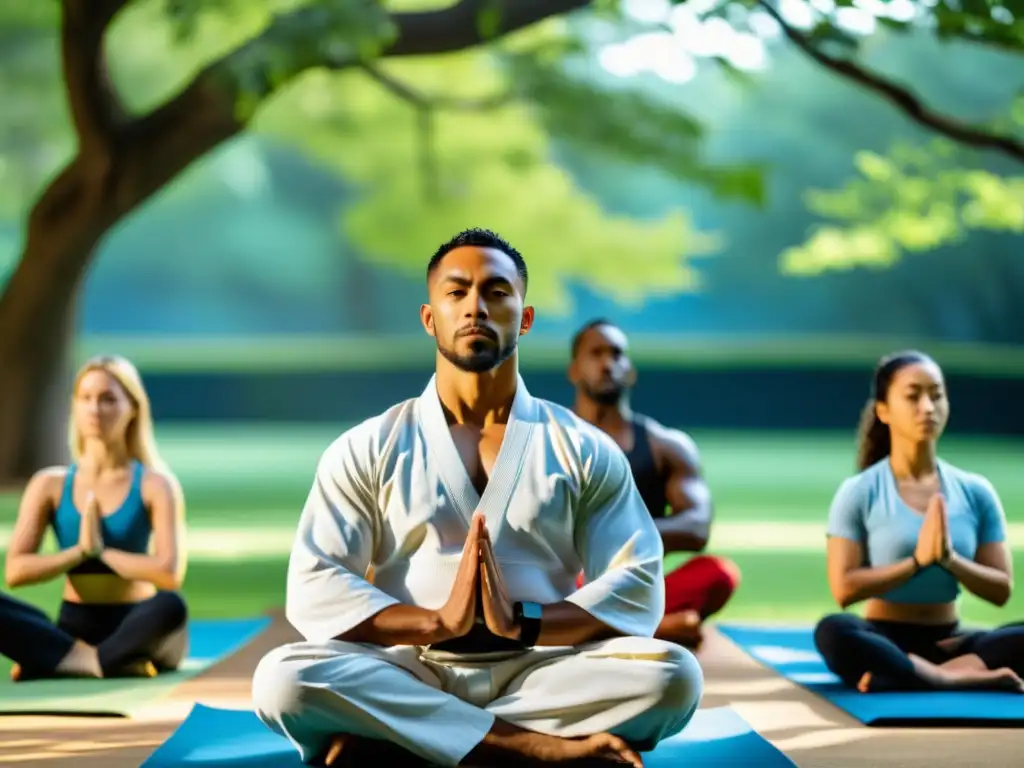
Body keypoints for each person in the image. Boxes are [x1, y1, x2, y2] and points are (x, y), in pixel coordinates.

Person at [251, 228, 703, 768]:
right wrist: (436, 623)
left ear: (525, 316)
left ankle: (409, 738)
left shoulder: (582, 447)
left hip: (541, 670)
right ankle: (525, 747)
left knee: (674, 677)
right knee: (283, 679)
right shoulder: (369, 445)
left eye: (495, 292)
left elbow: (638, 584)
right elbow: (313, 585)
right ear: (429, 317)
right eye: (457, 291)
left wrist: (525, 622)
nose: (475, 308)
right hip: (409, 668)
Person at [814, 350, 1024, 693]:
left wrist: (950, 561)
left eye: (937, 395)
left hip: (952, 642)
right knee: (834, 631)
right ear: (883, 410)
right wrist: (916, 563)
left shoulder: (975, 490)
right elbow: (844, 589)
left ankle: (920, 674)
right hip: (883, 638)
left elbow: (1001, 590)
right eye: (913, 396)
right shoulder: (859, 491)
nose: (927, 407)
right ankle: (943, 676)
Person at [1, 355, 188, 681]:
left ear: (132, 408)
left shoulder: (156, 484)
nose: (95, 409)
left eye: (108, 399)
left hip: (138, 623)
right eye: (85, 398)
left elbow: (169, 574)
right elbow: (15, 571)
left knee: (171, 605)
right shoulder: (50, 484)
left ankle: (62, 661)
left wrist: (102, 553)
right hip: (76, 624)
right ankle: (99, 662)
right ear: (74, 406)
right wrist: (78, 553)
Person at [568, 319, 740, 650]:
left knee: (719, 573)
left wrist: (613, 537)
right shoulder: (548, 438)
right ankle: (653, 629)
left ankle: (602, 629)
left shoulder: (666, 446)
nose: (607, 363)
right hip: (568, 585)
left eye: (617, 354)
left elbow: (697, 526)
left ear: (630, 370)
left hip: (637, 586)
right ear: (574, 370)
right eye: (596, 354)